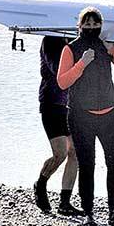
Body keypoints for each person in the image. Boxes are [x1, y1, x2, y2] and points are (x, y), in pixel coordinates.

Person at [56, 7, 114, 226]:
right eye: (87, 24)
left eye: (95, 24)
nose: (92, 28)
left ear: (101, 25)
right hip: (81, 116)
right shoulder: (70, 49)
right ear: (79, 26)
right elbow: (62, 82)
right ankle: (89, 211)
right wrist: (82, 63)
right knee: (87, 163)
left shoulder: (106, 45)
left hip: (109, 113)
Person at [32, 35, 79, 215]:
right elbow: (57, 70)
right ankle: (41, 183)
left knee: (75, 151)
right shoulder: (50, 40)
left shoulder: (78, 40)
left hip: (71, 104)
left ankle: (65, 202)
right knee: (60, 153)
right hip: (51, 103)